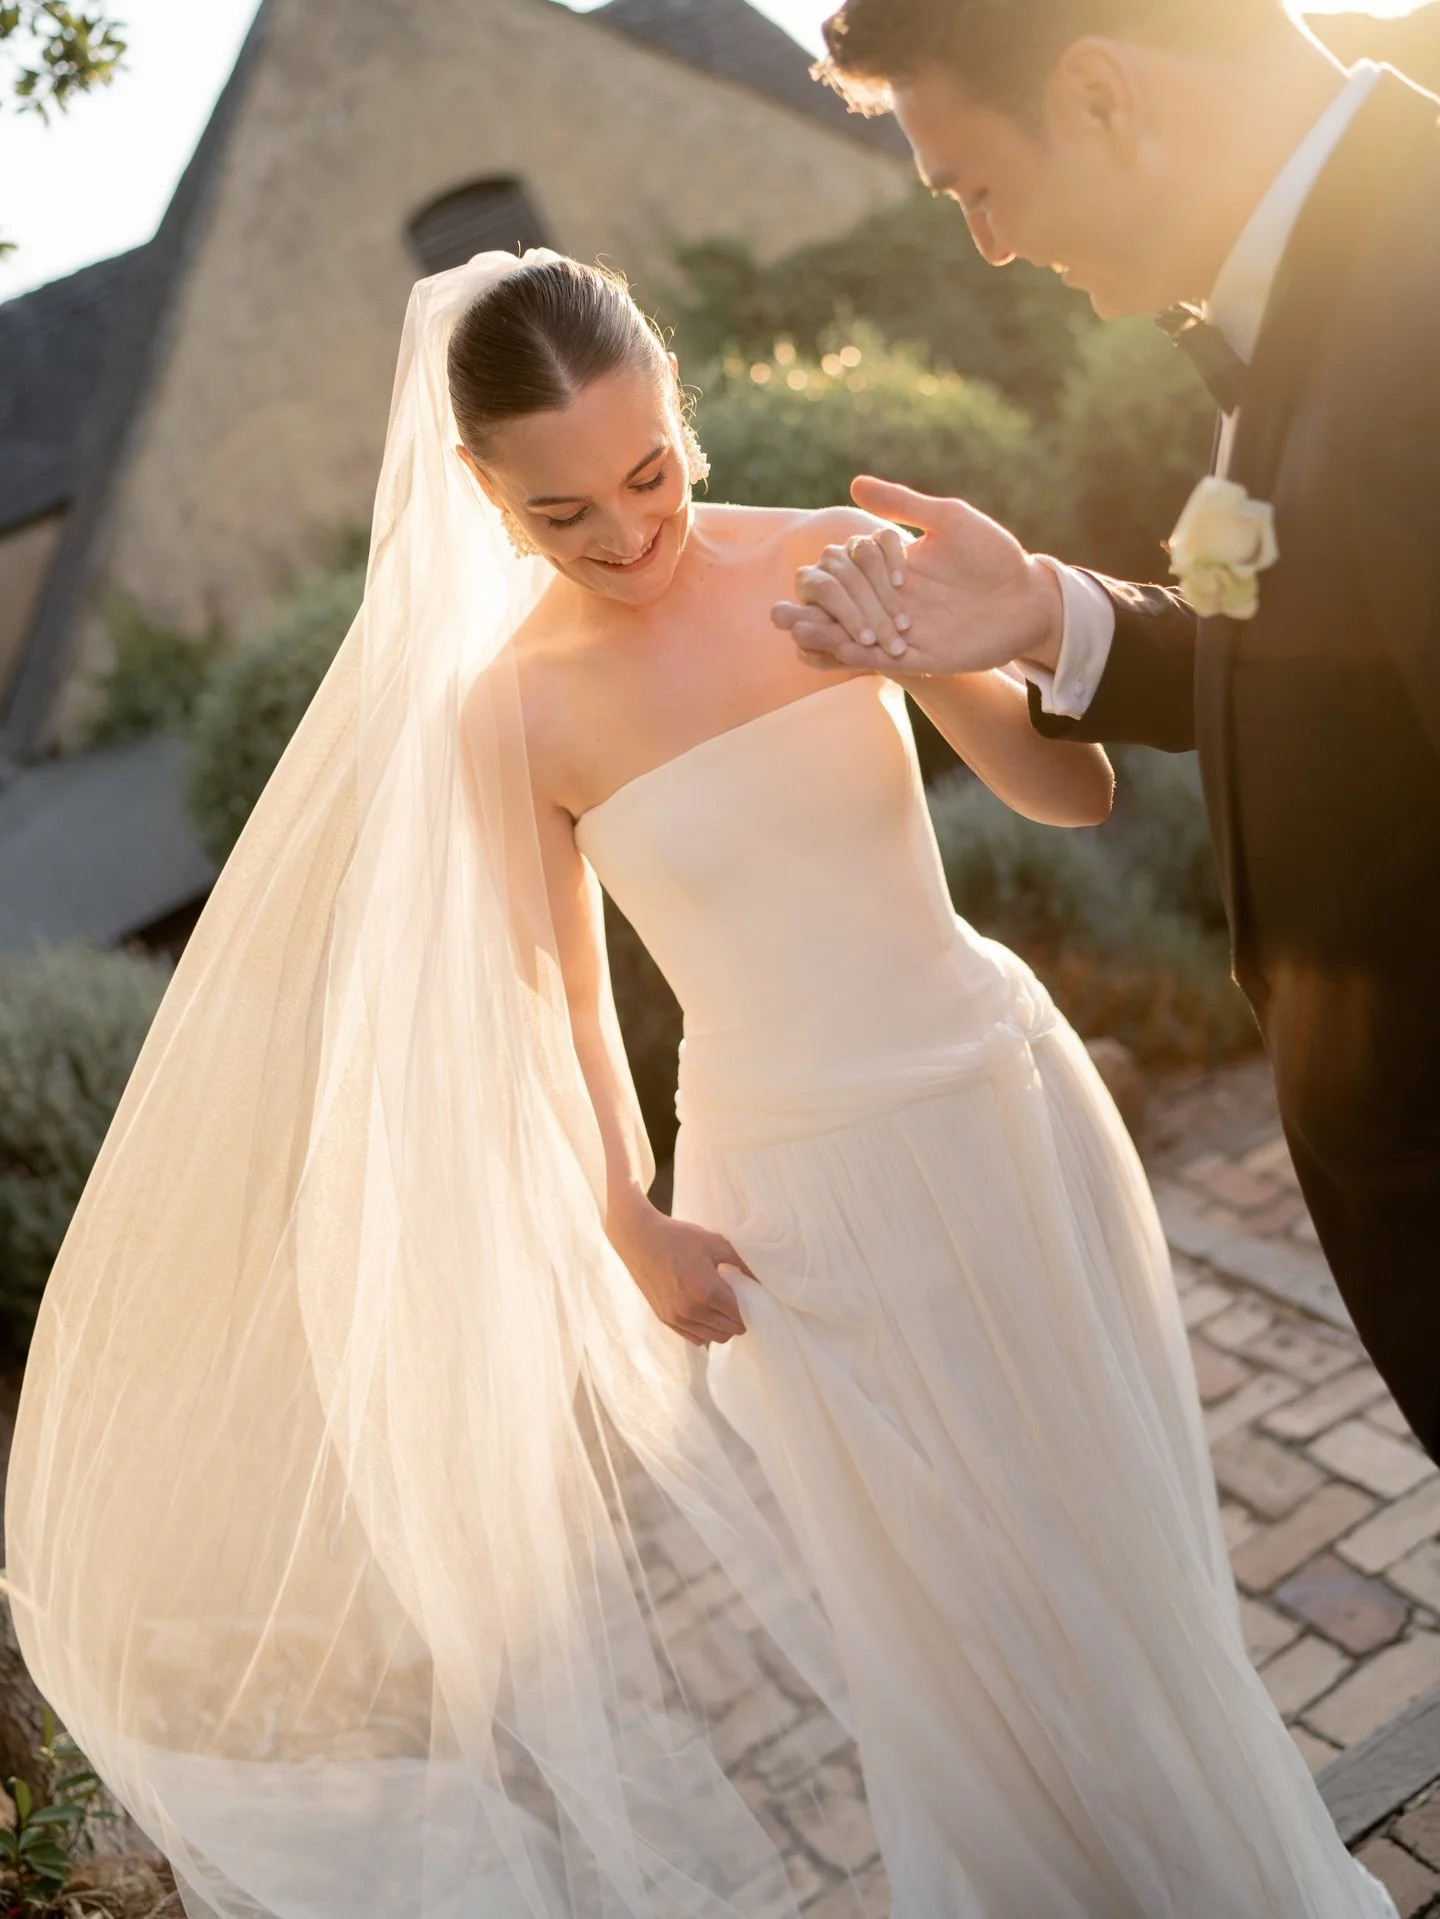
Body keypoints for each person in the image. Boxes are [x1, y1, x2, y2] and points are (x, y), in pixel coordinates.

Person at [6, 253, 1395, 1918]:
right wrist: (629, 1219)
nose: (626, 536)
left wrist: (962, 636)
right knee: (953, 1626)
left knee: (1130, 1573)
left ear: (679, 408)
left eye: (648, 473)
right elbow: (563, 1000)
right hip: (798, 1198)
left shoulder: (830, 553)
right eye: (564, 511)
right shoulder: (513, 712)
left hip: (999, 1102)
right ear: (482, 495)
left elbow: (1069, 796)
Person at [775, 0, 1440, 1467]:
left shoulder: (1422, 276)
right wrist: (1040, 611)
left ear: (1101, 98)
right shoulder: (1325, 283)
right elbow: (1332, 647)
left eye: (977, 191)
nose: (992, 247)